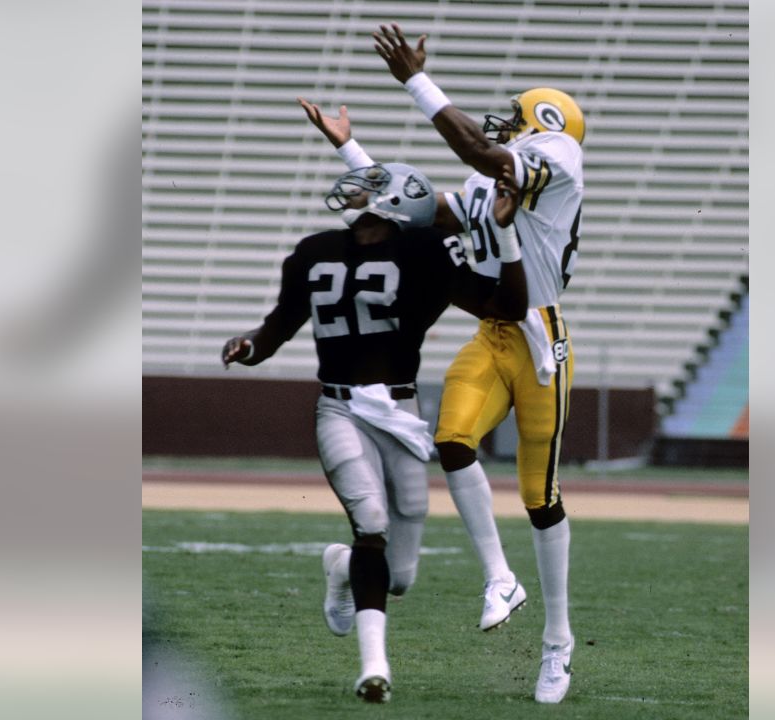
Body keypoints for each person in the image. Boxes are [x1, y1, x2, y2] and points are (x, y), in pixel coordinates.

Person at [299, 22, 586, 704]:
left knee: (541, 498)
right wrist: (351, 152)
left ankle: (558, 643)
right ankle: (498, 577)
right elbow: (415, 211)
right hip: (491, 329)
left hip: (541, 338)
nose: (502, 126)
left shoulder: (559, 162)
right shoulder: (495, 179)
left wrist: (415, 81)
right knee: (452, 440)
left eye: (515, 119)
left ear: (541, 124)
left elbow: (484, 150)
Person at [221, 161, 527, 703]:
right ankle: (373, 666)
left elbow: (506, 306)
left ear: (396, 207)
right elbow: (279, 325)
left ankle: (340, 566)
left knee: (400, 575)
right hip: (339, 408)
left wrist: (503, 234)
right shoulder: (314, 250)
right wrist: (249, 345)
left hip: (400, 413)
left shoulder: (427, 253)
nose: (357, 191)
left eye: (373, 188)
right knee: (372, 524)